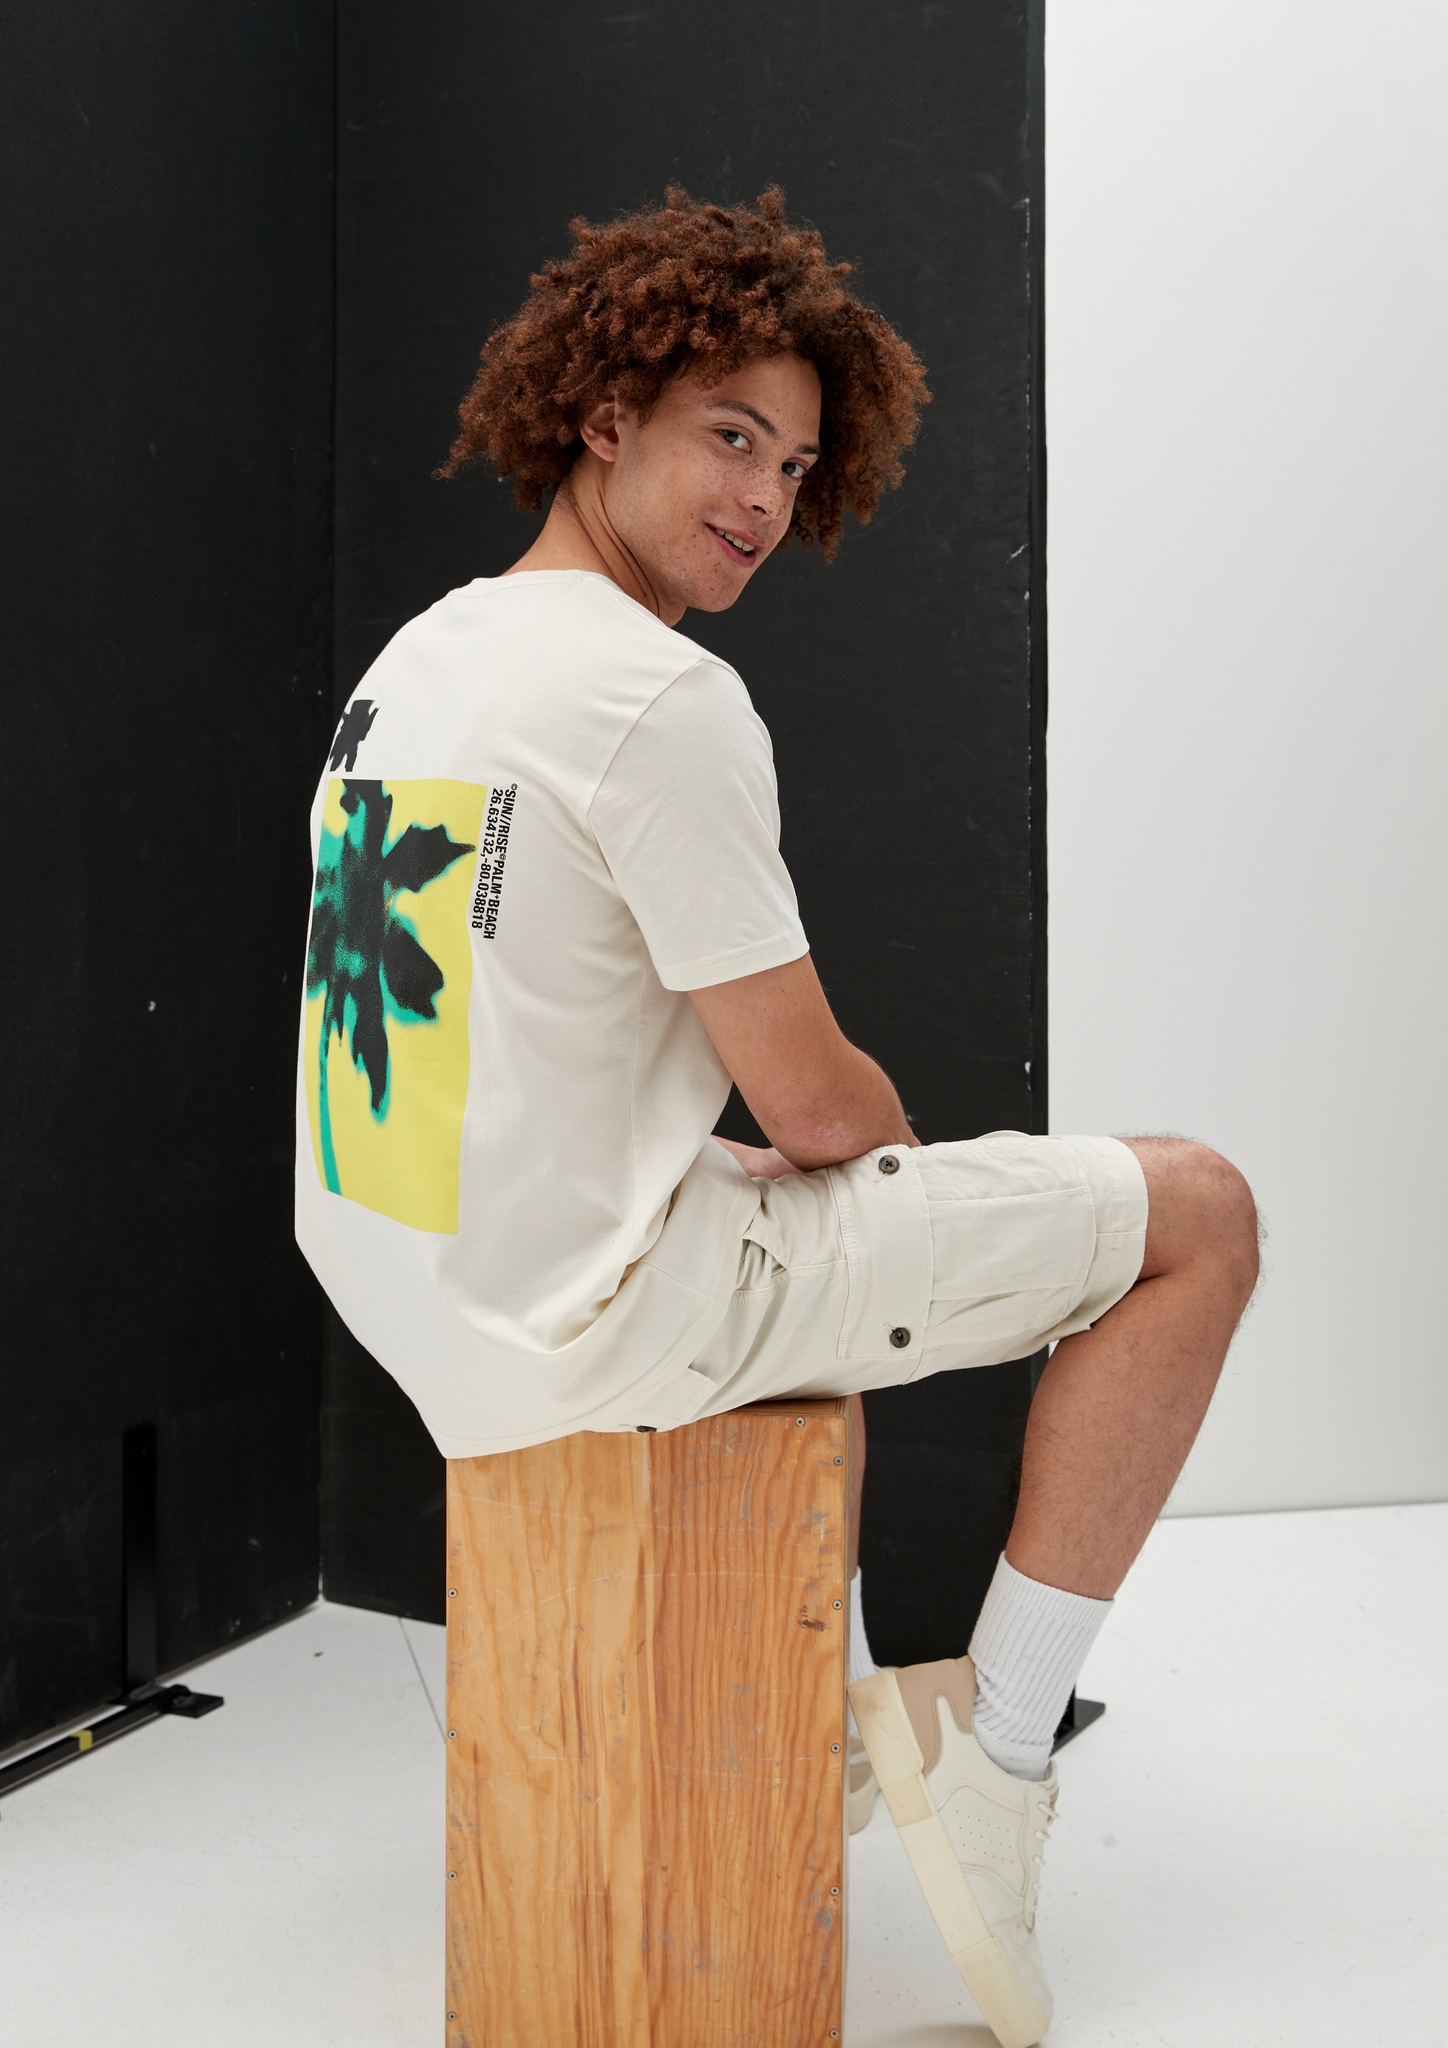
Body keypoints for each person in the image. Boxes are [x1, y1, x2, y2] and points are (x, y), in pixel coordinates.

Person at [295, 188, 1258, 2048]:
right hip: (587, 1321)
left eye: (798, 465)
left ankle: (839, 1711)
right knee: (1199, 1214)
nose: (764, 498)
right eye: (731, 436)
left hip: (411, 1287)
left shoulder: (420, 659)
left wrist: (665, 1162)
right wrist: (876, 1156)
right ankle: (1000, 1756)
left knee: (828, 1234)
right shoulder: (655, 695)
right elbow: (821, 1106)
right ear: (606, 415)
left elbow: (413, 1036)